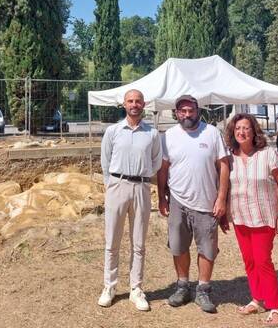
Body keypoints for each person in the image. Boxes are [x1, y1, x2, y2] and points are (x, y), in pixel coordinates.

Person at [157, 95, 230, 313]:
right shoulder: (168, 136)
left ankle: (203, 290)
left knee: (207, 248)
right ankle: (182, 286)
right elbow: (163, 169)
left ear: (198, 111)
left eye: (190, 110)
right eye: (182, 111)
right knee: (178, 246)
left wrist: (221, 198)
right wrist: (161, 197)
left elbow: (224, 166)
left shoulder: (212, 133)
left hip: (207, 202)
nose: (187, 114)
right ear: (176, 113)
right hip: (178, 201)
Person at [223, 113, 278, 327]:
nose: (242, 132)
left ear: (254, 131)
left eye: (246, 128)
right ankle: (257, 299)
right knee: (249, 261)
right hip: (240, 217)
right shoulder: (229, 158)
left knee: (263, 261)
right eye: (237, 129)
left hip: (263, 217)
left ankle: (276, 307)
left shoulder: (268, 154)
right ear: (233, 133)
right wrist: (225, 214)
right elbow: (225, 188)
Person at [98, 89, 162, 311]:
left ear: (144, 104)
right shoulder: (113, 131)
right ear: (124, 104)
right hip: (117, 186)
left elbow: (156, 162)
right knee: (112, 241)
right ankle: (110, 286)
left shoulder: (152, 134)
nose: (134, 104)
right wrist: (111, 184)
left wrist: (142, 177)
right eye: (130, 101)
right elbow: (105, 160)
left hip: (141, 188)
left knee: (138, 243)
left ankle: (136, 288)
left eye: (138, 101)